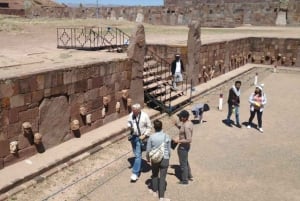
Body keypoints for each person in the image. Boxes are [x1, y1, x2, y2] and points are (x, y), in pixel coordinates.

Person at [146, 119, 171, 201]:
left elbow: (148, 150)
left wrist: (148, 158)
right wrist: (168, 158)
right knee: (163, 178)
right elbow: (169, 150)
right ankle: (161, 197)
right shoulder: (167, 136)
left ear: (154, 127)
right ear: (161, 127)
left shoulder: (151, 137)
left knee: (155, 174)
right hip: (165, 158)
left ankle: (154, 191)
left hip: (155, 159)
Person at [127, 103, 152, 182]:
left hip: (141, 137)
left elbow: (149, 127)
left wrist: (145, 135)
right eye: (132, 110)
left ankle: (135, 173)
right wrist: (130, 127)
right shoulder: (131, 115)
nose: (133, 112)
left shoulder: (145, 116)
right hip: (133, 136)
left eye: (134, 111)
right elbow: (129, 122)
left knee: (138, 155)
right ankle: (139, 164)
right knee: (136, 153)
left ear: (139, 110)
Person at [173, 110, 193, 185]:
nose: (179, 118)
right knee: (185, 161)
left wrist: (178, 141)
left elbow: (189, 139)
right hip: (185, 147)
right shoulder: (188, 123)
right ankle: (189, 175)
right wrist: (177, 126)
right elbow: (183, 131)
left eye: (180, 117)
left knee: (183, 164)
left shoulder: (186, 126)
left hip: (183, 147)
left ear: (184, 118)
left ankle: (185, 180)